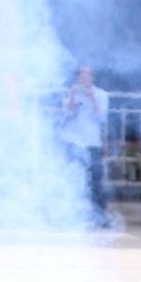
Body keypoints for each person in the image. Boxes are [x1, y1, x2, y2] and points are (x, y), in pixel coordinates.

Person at [58, 66, 111, 218]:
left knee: (95, 181)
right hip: (73, 141)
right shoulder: (71, 93)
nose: (84, 78)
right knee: (72, 178)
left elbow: (101, 117)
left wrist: (92, 98)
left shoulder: (101, 95)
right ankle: (70, 213)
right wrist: (73, 97)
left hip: (92, 142)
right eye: (81, 75)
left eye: (87, 75)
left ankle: (100, 214)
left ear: (92, 77)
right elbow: (67, 116)